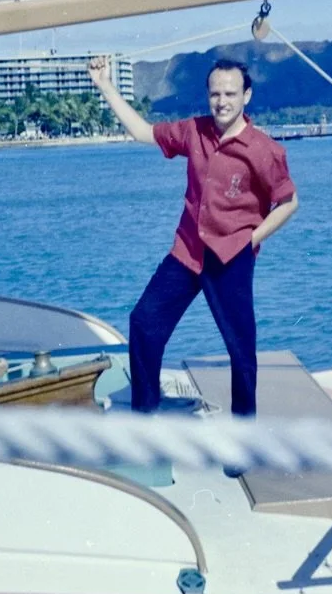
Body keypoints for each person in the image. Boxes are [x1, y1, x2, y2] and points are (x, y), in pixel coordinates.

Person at [88, 54, 298, 419]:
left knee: (240, 349)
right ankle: (144, 415)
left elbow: (288, 202)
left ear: (246, 96)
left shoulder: (265, 151)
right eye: (215, 93)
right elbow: (142, 132)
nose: (222, 101)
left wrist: (250, 239)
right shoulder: (194, 131)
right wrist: (105, 84)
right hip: (188, 251)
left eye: (230, 93)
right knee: (143, 322)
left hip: (232, 257)